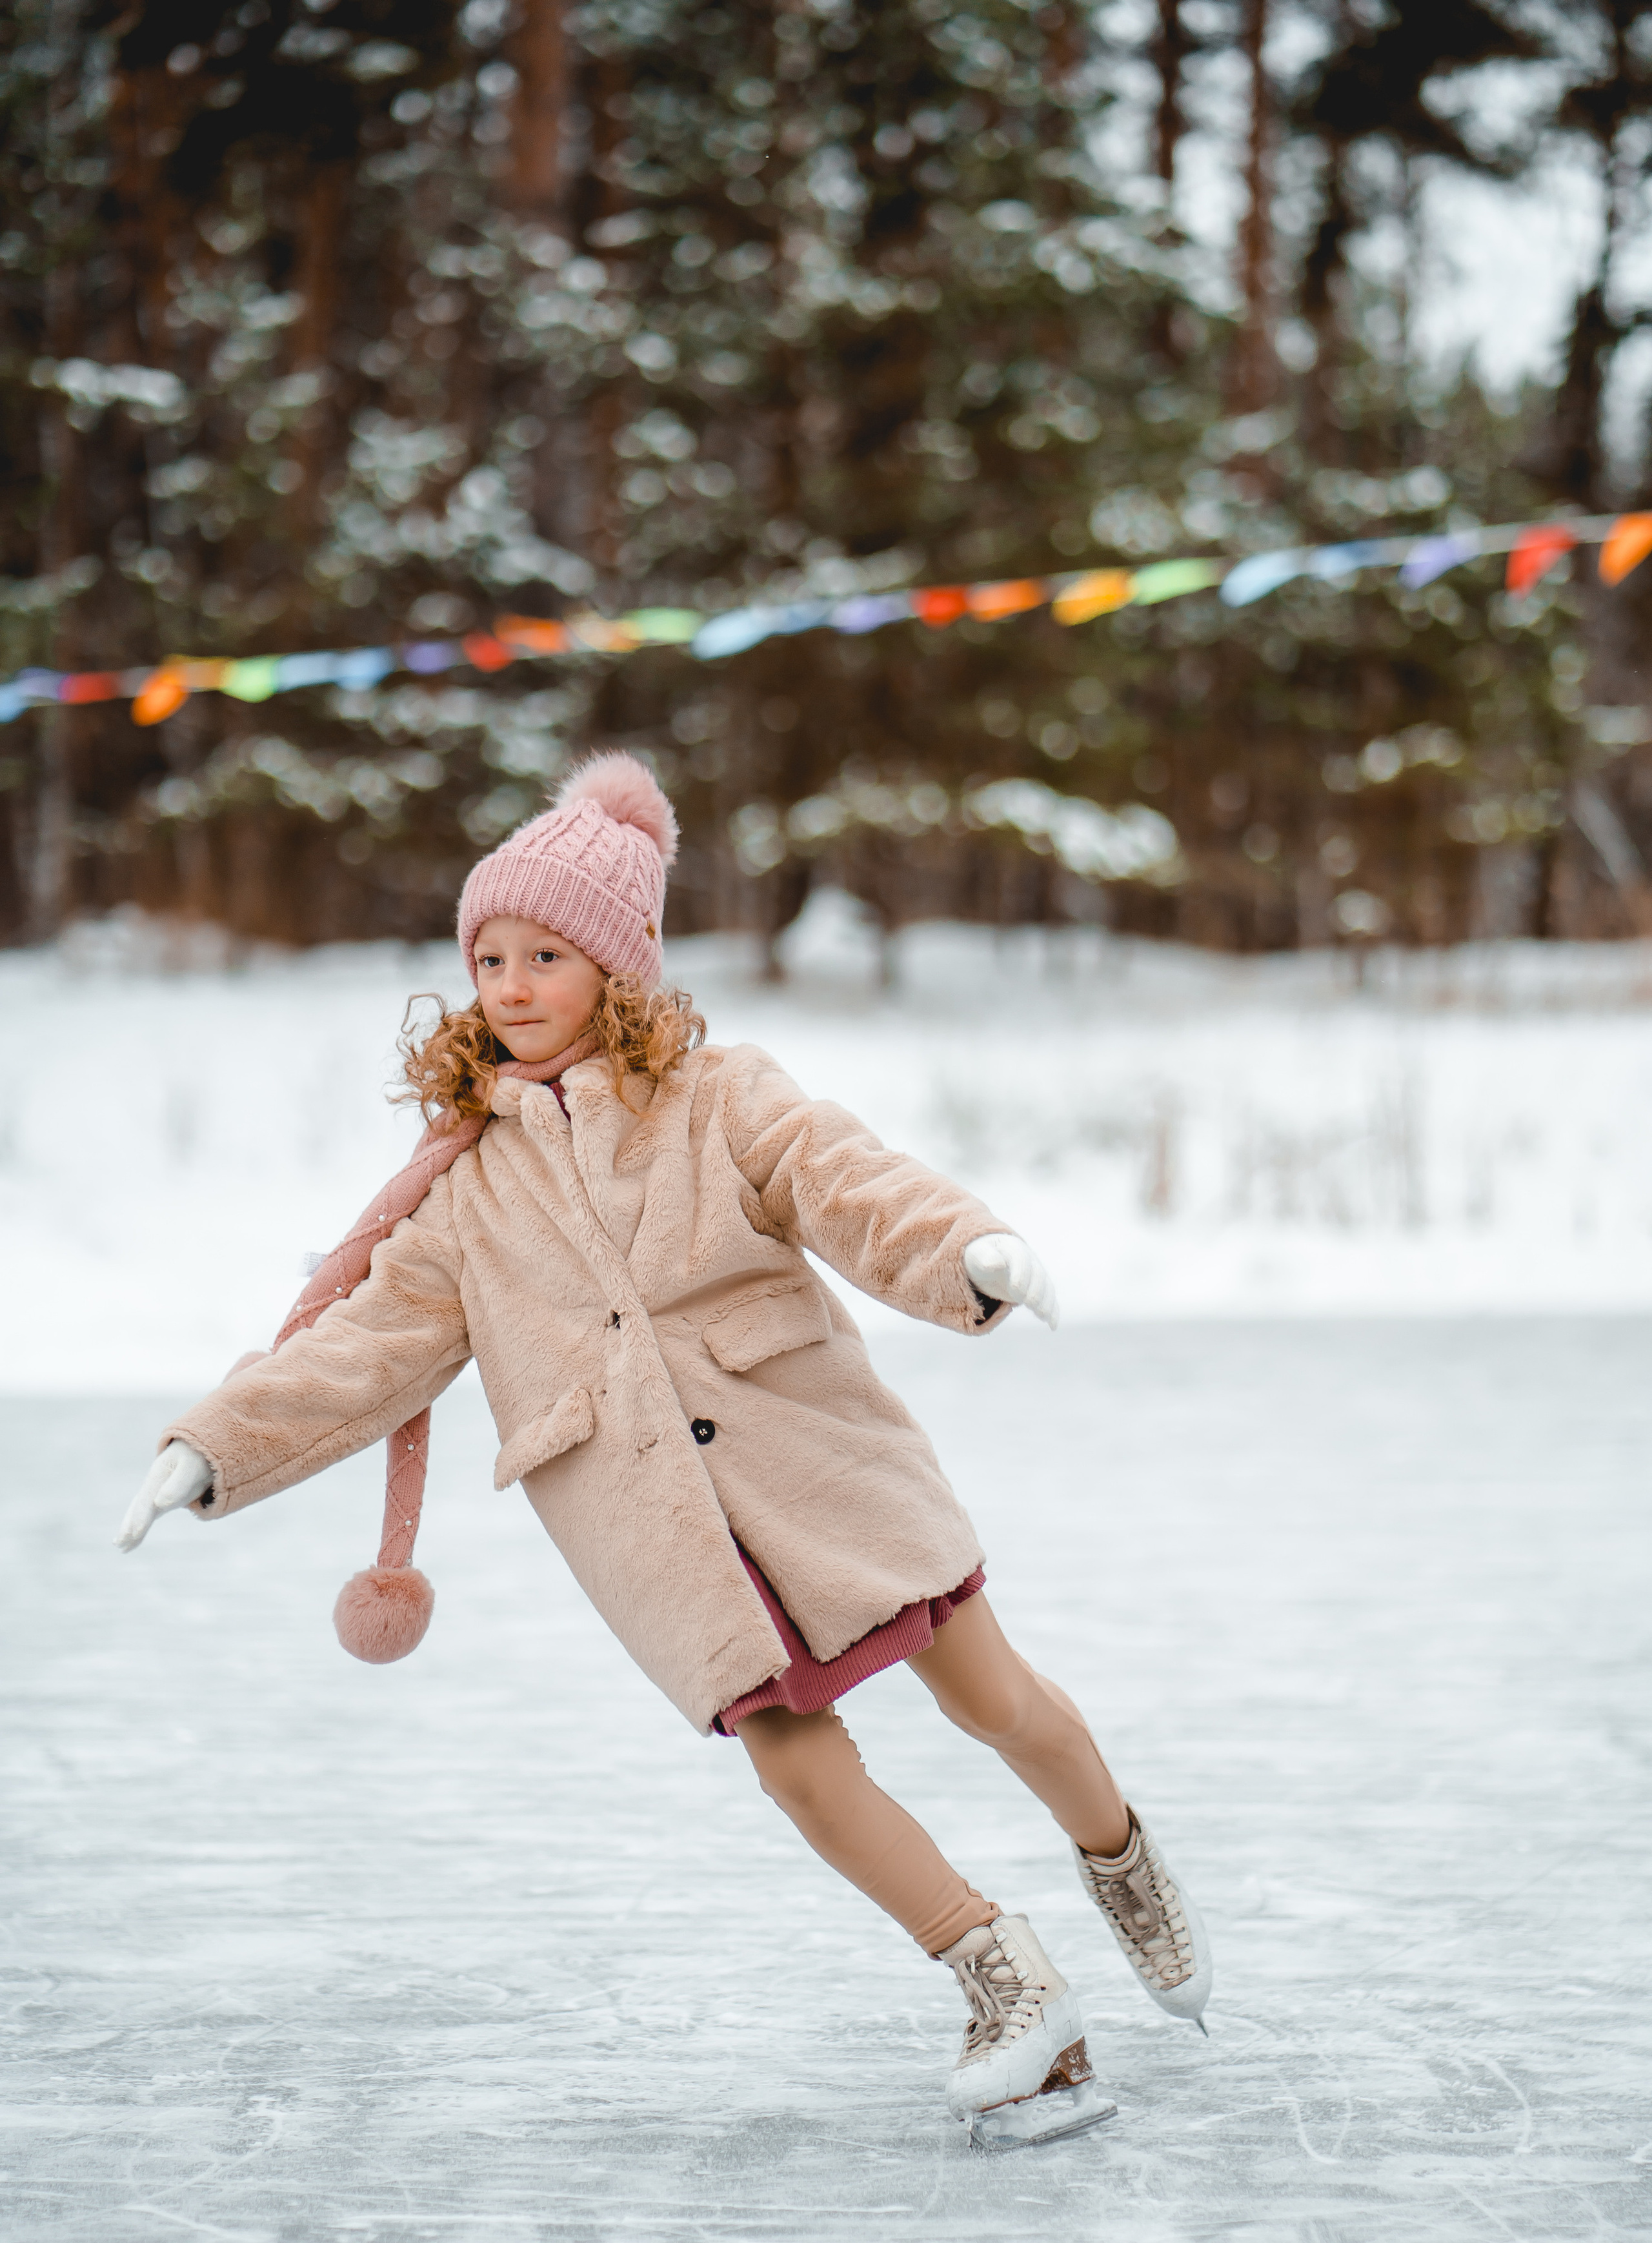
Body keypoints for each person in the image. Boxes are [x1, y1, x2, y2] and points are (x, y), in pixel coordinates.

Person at [117, 751, 1211, 2144]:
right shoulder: (465, 1189)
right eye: (489, 956)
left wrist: (964, 1251)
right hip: (658, 1529)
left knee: (991, 1700)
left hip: (819, 1466)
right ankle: (1005, 1984)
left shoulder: (719, 1097)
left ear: (618, 967)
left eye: (544, 954)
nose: (508, 986)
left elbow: (845, 1178)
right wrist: (216, 1445)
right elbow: (365, 1347)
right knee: (795, 1762)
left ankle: (1121, 1858)